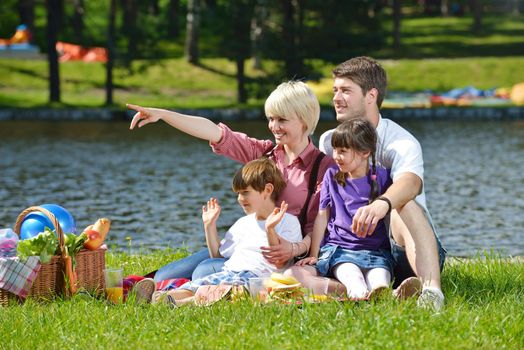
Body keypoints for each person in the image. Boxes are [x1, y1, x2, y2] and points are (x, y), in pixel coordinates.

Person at [127, 81, 335, 282]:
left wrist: (295, 249)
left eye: (282, 120)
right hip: (247, 247)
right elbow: (214, 132)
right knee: (163, 276)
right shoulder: (264, 154)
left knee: (203, 272)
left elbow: (319, 226)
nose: (274, 126)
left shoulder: (323, 168)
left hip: (284, 257)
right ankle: (150, 287)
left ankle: (188, 290)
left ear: (304, 120)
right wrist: (163, 114)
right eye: (271, 119)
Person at [317, 56, 446, 309]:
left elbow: (410, 183)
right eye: (335, 90)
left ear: (370, 95)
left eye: (345, 90)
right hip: (353, 249)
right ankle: (378, 290)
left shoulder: (401, 141)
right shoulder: (330, 140)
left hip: (405, 249)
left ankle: (431, 292)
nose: (336, 97)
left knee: (404, 203)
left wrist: (382, 204)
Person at [137, 158, 303, 305]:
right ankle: (158, 298)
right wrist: (209, 226)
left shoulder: (288, 221)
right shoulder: (243, 223)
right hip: (230, 271)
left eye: (245, 193)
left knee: (220, 291)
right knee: (195, 285)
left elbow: (279, 263)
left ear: (267, 190)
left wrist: (270, 230)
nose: (240, 199)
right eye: (238, 194)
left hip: (255, 278)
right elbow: (217, 256)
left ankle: (178, 303)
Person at [295, 119, 394, 299]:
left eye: (342, 151)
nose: (335, 156)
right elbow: (322, 216)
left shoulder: (382, 177)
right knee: (352, 276)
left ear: (365, 152)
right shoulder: (332, 176)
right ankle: (360, 294)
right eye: (335, 150)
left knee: (379, 278)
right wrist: (314, 254)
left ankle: (385, 293)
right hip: (341, 250)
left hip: (376, 252)